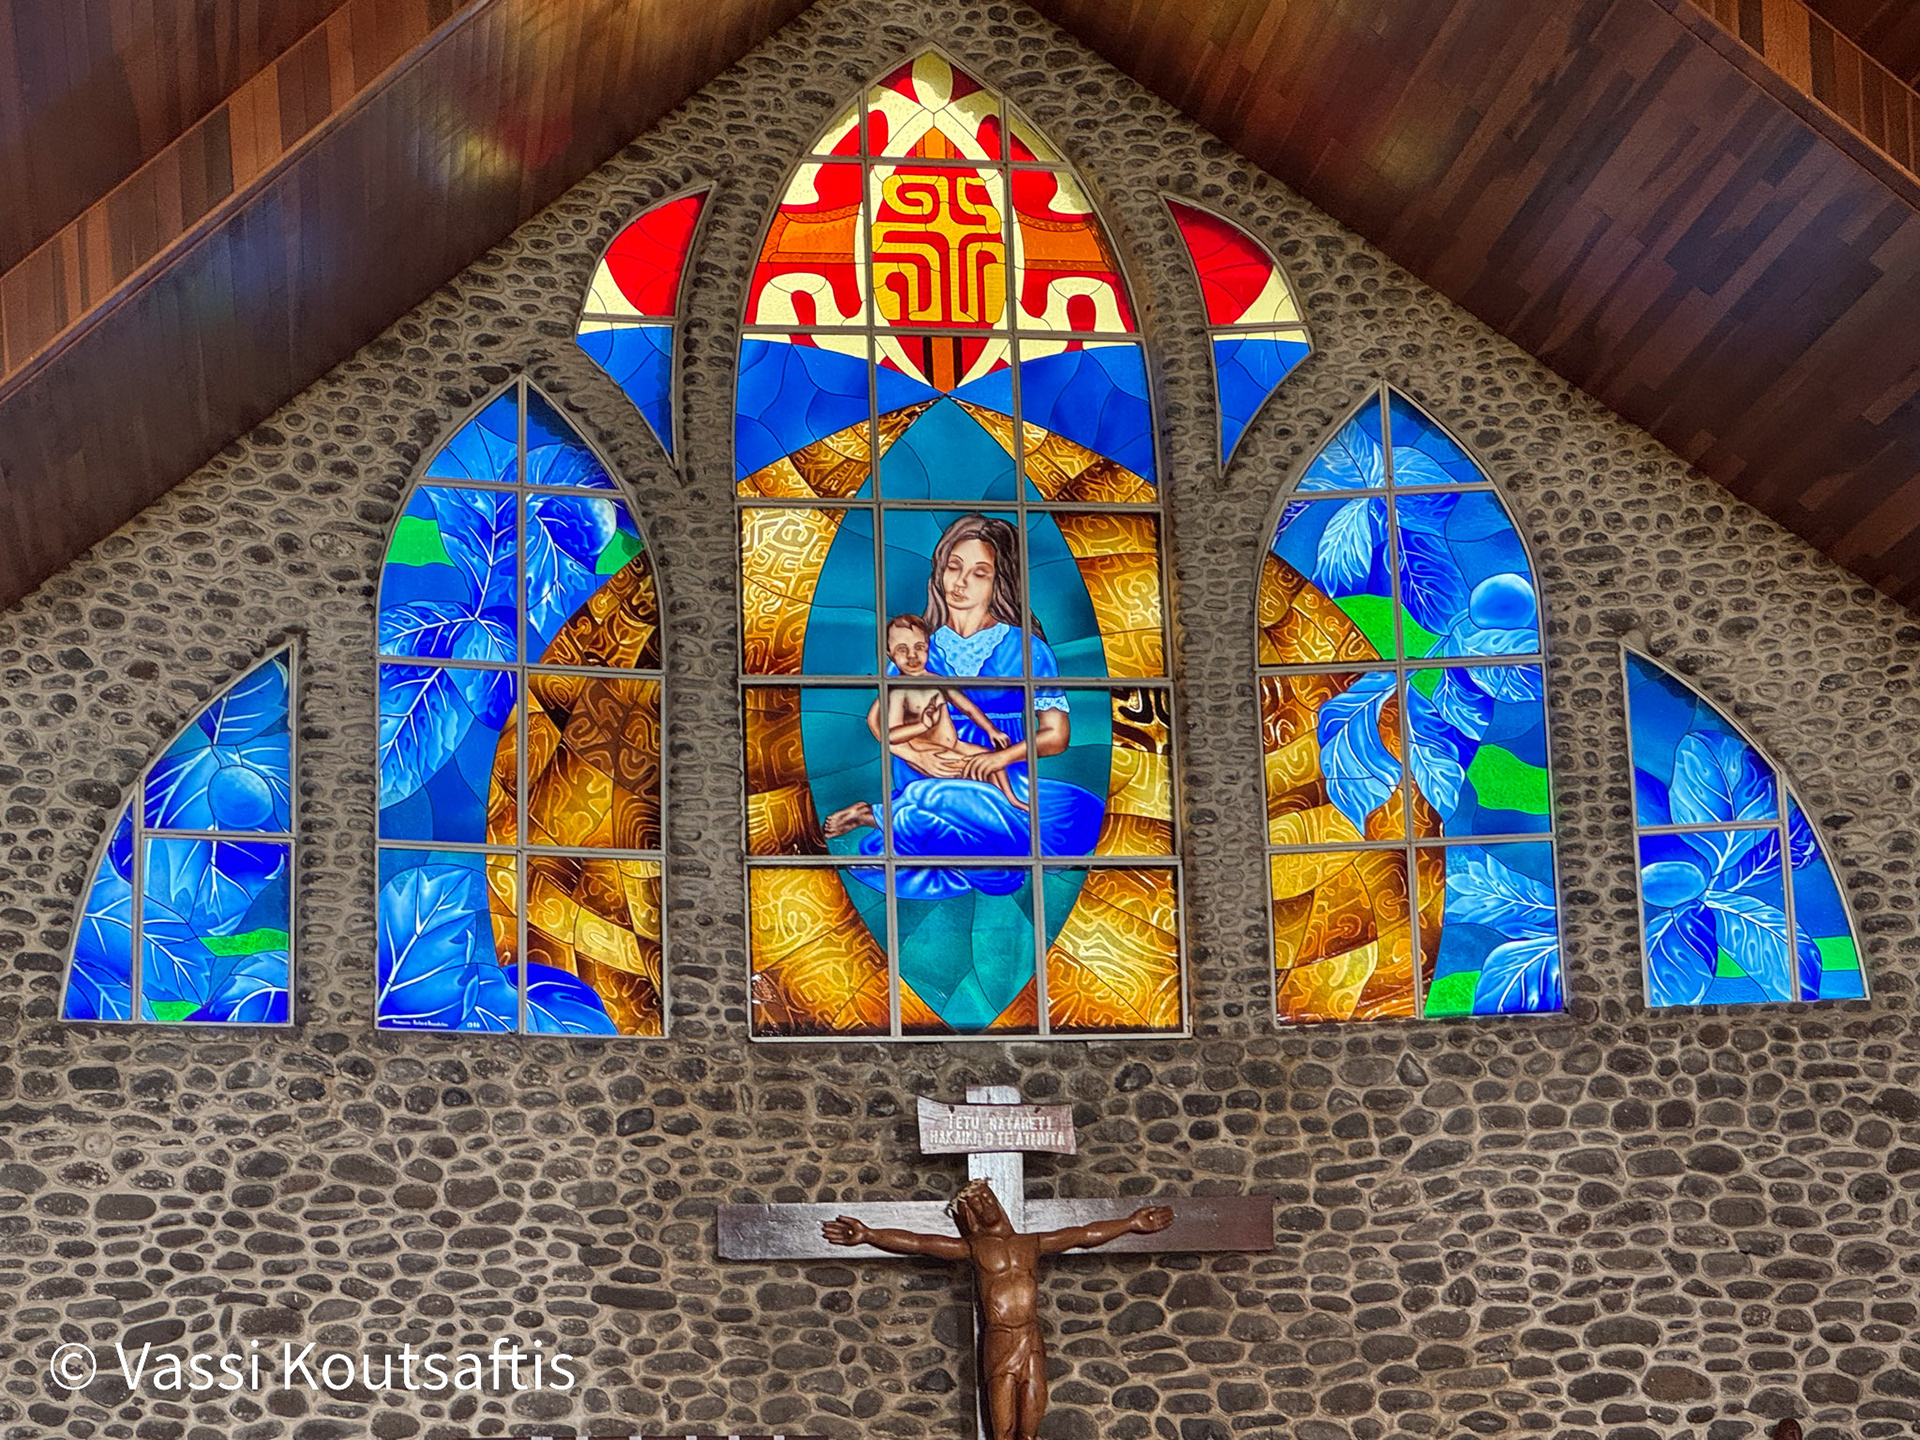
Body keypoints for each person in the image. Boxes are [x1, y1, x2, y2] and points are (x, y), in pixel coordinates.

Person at [821, 514, 1102, 899]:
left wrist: (999, 757)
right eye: (953, 567)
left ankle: (903, 822)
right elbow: (883, 728)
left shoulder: (1027, 649)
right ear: (939, 571)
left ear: (1000, 580)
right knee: (942, 810)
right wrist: (921, 758)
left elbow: (1056, 735)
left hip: (1003, 776)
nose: (961, 581)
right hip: (929, 773)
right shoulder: (915, 652)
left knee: (1081, 817)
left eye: (979, 572)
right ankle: (912, 822)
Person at [822, 1179, 1173, 1440]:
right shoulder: (974, 1249)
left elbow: (1083, 1234)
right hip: (1000, 1340)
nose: (986, 1205)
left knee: (1030, 1430)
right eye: (977, 1202)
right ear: (969, 1214)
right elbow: (919, 1243)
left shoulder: (1030, 1243)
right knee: (1002, 1432)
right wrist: (869, 1235)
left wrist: (1131, 1223)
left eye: (988, 1197)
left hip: (1030, 1338)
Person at [879, 614, 1025, 811]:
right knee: (973, 770)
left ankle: (1011, 800)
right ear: (889, 653)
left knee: (989, 759)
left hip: (955, 744)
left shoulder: (937, 681)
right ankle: (993, 807)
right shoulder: (897, 692)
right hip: (930, 752)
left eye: (919, 647)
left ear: (928, 647)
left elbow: (967, 707)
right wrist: (922, 725)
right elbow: (891, 735)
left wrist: (992, 730)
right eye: (902, 650)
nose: (912, 656)